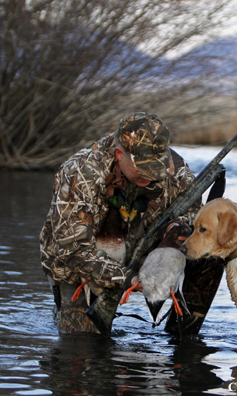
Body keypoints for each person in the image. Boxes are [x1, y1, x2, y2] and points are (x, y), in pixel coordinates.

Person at [40, 112, 201, 334]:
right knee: (82, 343)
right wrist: (130, 279)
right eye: (143, 168)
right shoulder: (80, 172)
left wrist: (173, 238)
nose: (152, 175)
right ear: (119, 154)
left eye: (157, 166)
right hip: (80, 269)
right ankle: (68, 310)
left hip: (141, 252)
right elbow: (73, 252)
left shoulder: (175, 169)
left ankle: (183, 333)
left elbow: (194, 212)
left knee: (213, 249)